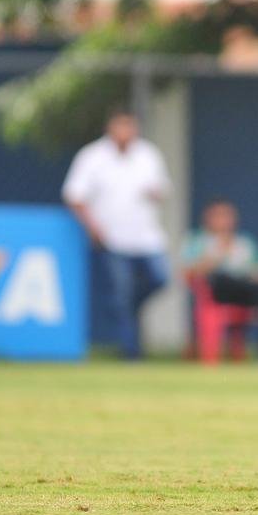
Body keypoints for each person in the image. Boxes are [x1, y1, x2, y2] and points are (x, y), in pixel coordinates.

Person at [63, 109, 171, 360]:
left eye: (129, 126)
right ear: (109, 128)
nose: (125, 132)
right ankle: (131, 353)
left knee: (159, 279)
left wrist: (154, 193)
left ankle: (131, 309)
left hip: (147, 237)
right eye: (119, 126)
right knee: (120, 294)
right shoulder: (92, 156)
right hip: (112, 239)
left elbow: (163, 189)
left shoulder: (148, 154)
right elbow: (74, 196)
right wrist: (93, 228)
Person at [183, 198, 258, 360]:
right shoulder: (197, 241)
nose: (223, 221)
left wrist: (256, 274)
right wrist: (218, 254)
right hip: (216, 291)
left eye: (227, 216)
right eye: (218, 215)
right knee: (222, 277)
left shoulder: (245, 242)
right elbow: (190, 272)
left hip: (244, 291)